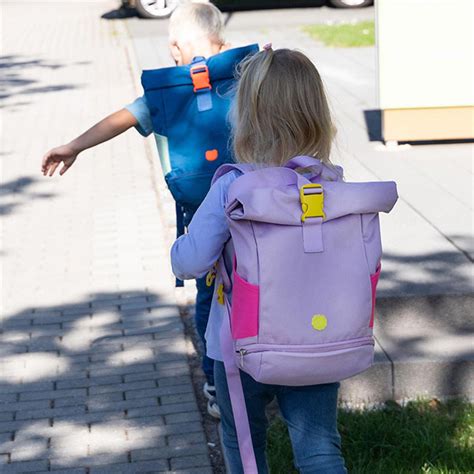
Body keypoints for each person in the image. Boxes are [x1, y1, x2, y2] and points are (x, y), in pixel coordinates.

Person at [40, 1, 253, 419]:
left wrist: (74, 146)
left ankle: (213, 381)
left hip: (201, 218)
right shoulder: (246, 75)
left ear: (173, 48)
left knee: (210, 295)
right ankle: (258, 370)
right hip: (253, 209)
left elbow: (121, 119)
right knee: (255, 285)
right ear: (223, 40)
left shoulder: (168, 92)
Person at [171, 48, 348, 473]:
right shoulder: (331, 184)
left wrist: (179, 246)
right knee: (320, 447)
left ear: (245, 116)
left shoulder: (233, 186)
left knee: (243, 441)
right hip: (317, 338)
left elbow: (191, 262)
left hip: (240, 344)